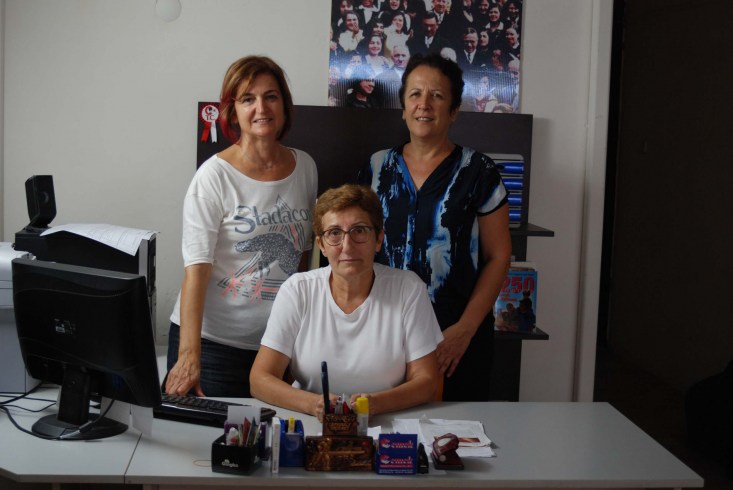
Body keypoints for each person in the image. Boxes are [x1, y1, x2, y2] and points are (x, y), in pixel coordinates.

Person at [358, 53, 512, 402]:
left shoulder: (479, 171)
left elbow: (499, 256)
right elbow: (356, 247)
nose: (424, 104)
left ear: (454, 111)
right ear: (403, 106)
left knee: (457, 428)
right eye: (415, 94)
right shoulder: (376, 167)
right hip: (385, 331)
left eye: (437, 96)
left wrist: (466, 329)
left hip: (455, 335)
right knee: (386, 424)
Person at [164, 56, 318, 398]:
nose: (261, 108)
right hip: (213, 346)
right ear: (233, 112)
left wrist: (296, 334)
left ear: (284, 105)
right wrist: (189, 357)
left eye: (271, 96)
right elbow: (196, 271)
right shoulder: (213, 177)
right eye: (248, 99)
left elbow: (302, 259)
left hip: (276, 346)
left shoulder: (305, 167)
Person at [250, 184, 443, 421]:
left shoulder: (408, 289)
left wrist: (374, 404)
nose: (347, 246)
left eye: (359, 231)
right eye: (334, 233)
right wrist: (314, 404)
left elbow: (427, 381)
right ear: (321, 245)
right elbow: (260, 379)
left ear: (379, 239)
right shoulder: (297, 290)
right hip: (310, 423)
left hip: (387, 422)